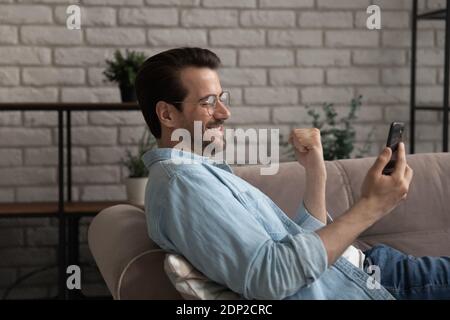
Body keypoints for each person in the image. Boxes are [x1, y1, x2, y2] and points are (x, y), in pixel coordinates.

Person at [135, 47, 450, 300]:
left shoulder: (199, 173)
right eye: (208, 103)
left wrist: (316, 171)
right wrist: (372, 206)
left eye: (223, 99)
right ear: (166, 113)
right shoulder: (183, 185)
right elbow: (271, 277)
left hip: (365, 267)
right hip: (379, 284)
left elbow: (295, 248)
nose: (225, 113)